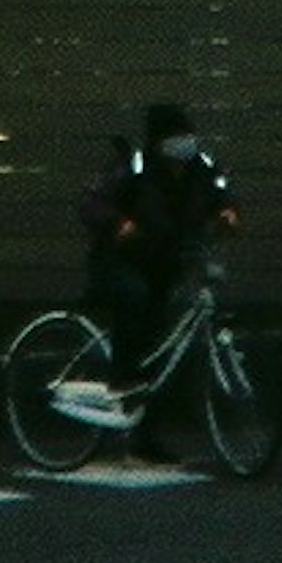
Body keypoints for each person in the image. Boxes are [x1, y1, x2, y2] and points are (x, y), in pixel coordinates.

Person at [86, 101, 236, 452]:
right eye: (176, 137)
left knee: (160, 344)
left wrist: (229, 211)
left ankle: (146, 433)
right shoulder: (135, 169)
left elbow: (221, 194)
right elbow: (92, 203)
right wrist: (118, 224)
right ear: (159, 141)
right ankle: (121, 382)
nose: (185, 143)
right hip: (120, 261)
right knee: (133, 298)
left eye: (187, 135)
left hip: (164, 264)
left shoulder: (201, 168)